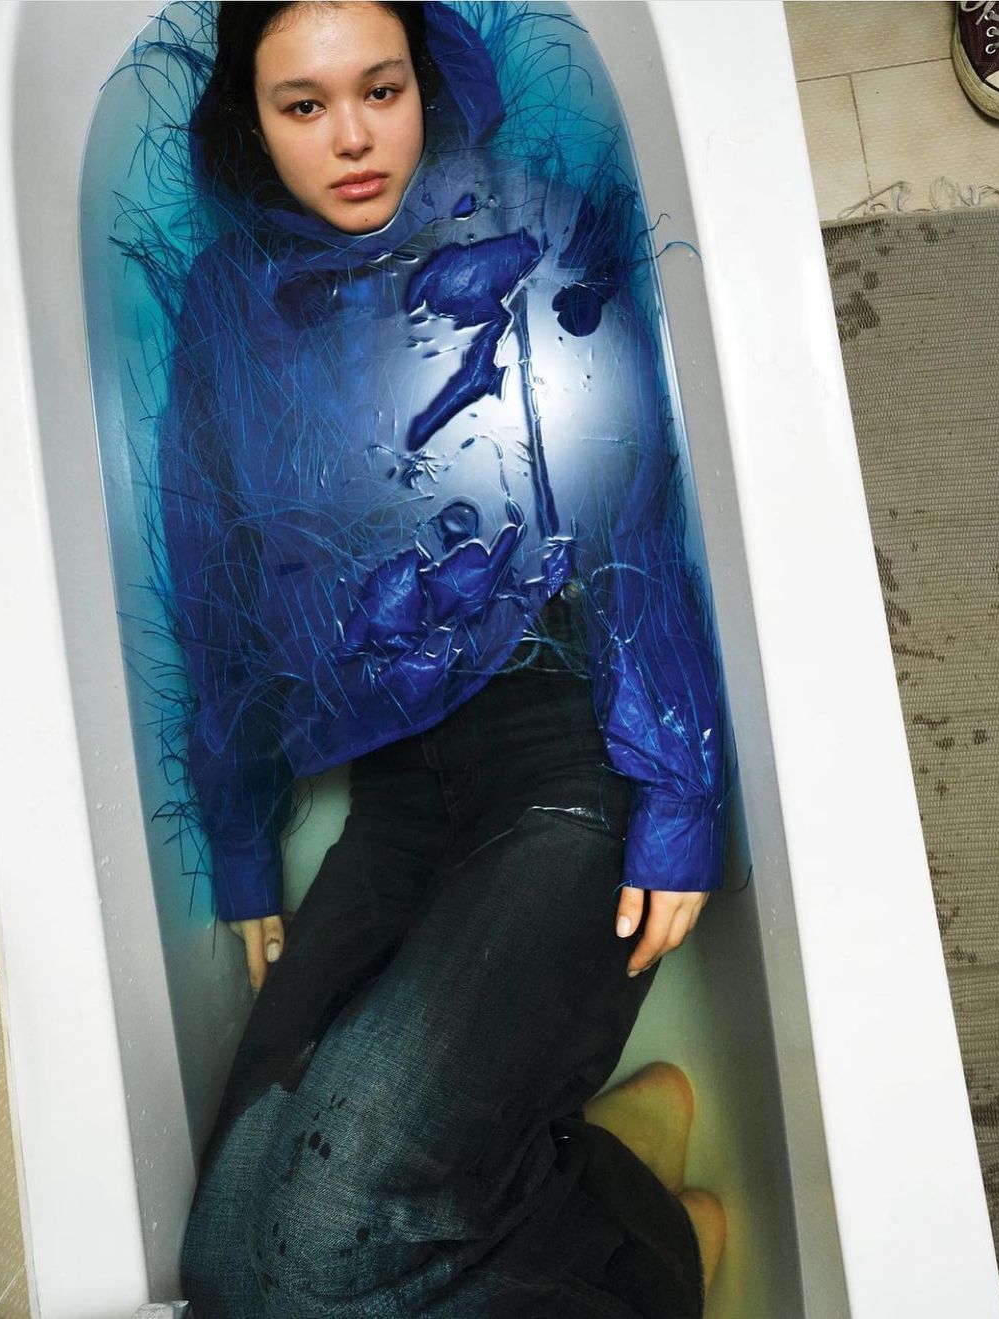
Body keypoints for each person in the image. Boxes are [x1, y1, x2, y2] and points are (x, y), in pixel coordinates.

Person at [150, 2, 731, 1313]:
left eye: (382, 89)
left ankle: (659, 1256)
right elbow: (212, 574)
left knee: (319, 1251)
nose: (354, 137)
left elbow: (626, 504)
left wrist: (676, 790)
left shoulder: (521, 221)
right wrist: (241, 836)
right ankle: (577, 1179)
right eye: (305, 106)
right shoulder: (231, 303)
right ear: (253, 122)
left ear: (426, 81)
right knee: (227, 1265)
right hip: (400, 797)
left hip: (563, 753)